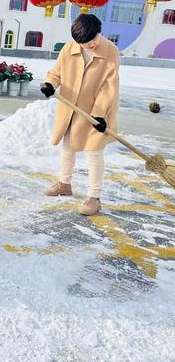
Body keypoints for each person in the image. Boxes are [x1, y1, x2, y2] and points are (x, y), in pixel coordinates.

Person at [40, 14, 119, 216]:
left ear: (98, 32)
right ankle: (64, 184)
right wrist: (50, 84)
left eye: (91, 41)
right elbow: (56, 73)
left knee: (94, 152)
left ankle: (94, 197)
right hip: (71, 108)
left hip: (96, 112)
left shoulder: (110, 51)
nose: (88, 46)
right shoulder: (69, 48)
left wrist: (100, 114)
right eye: (83, 43)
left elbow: (109, 86)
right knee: (68, 147)